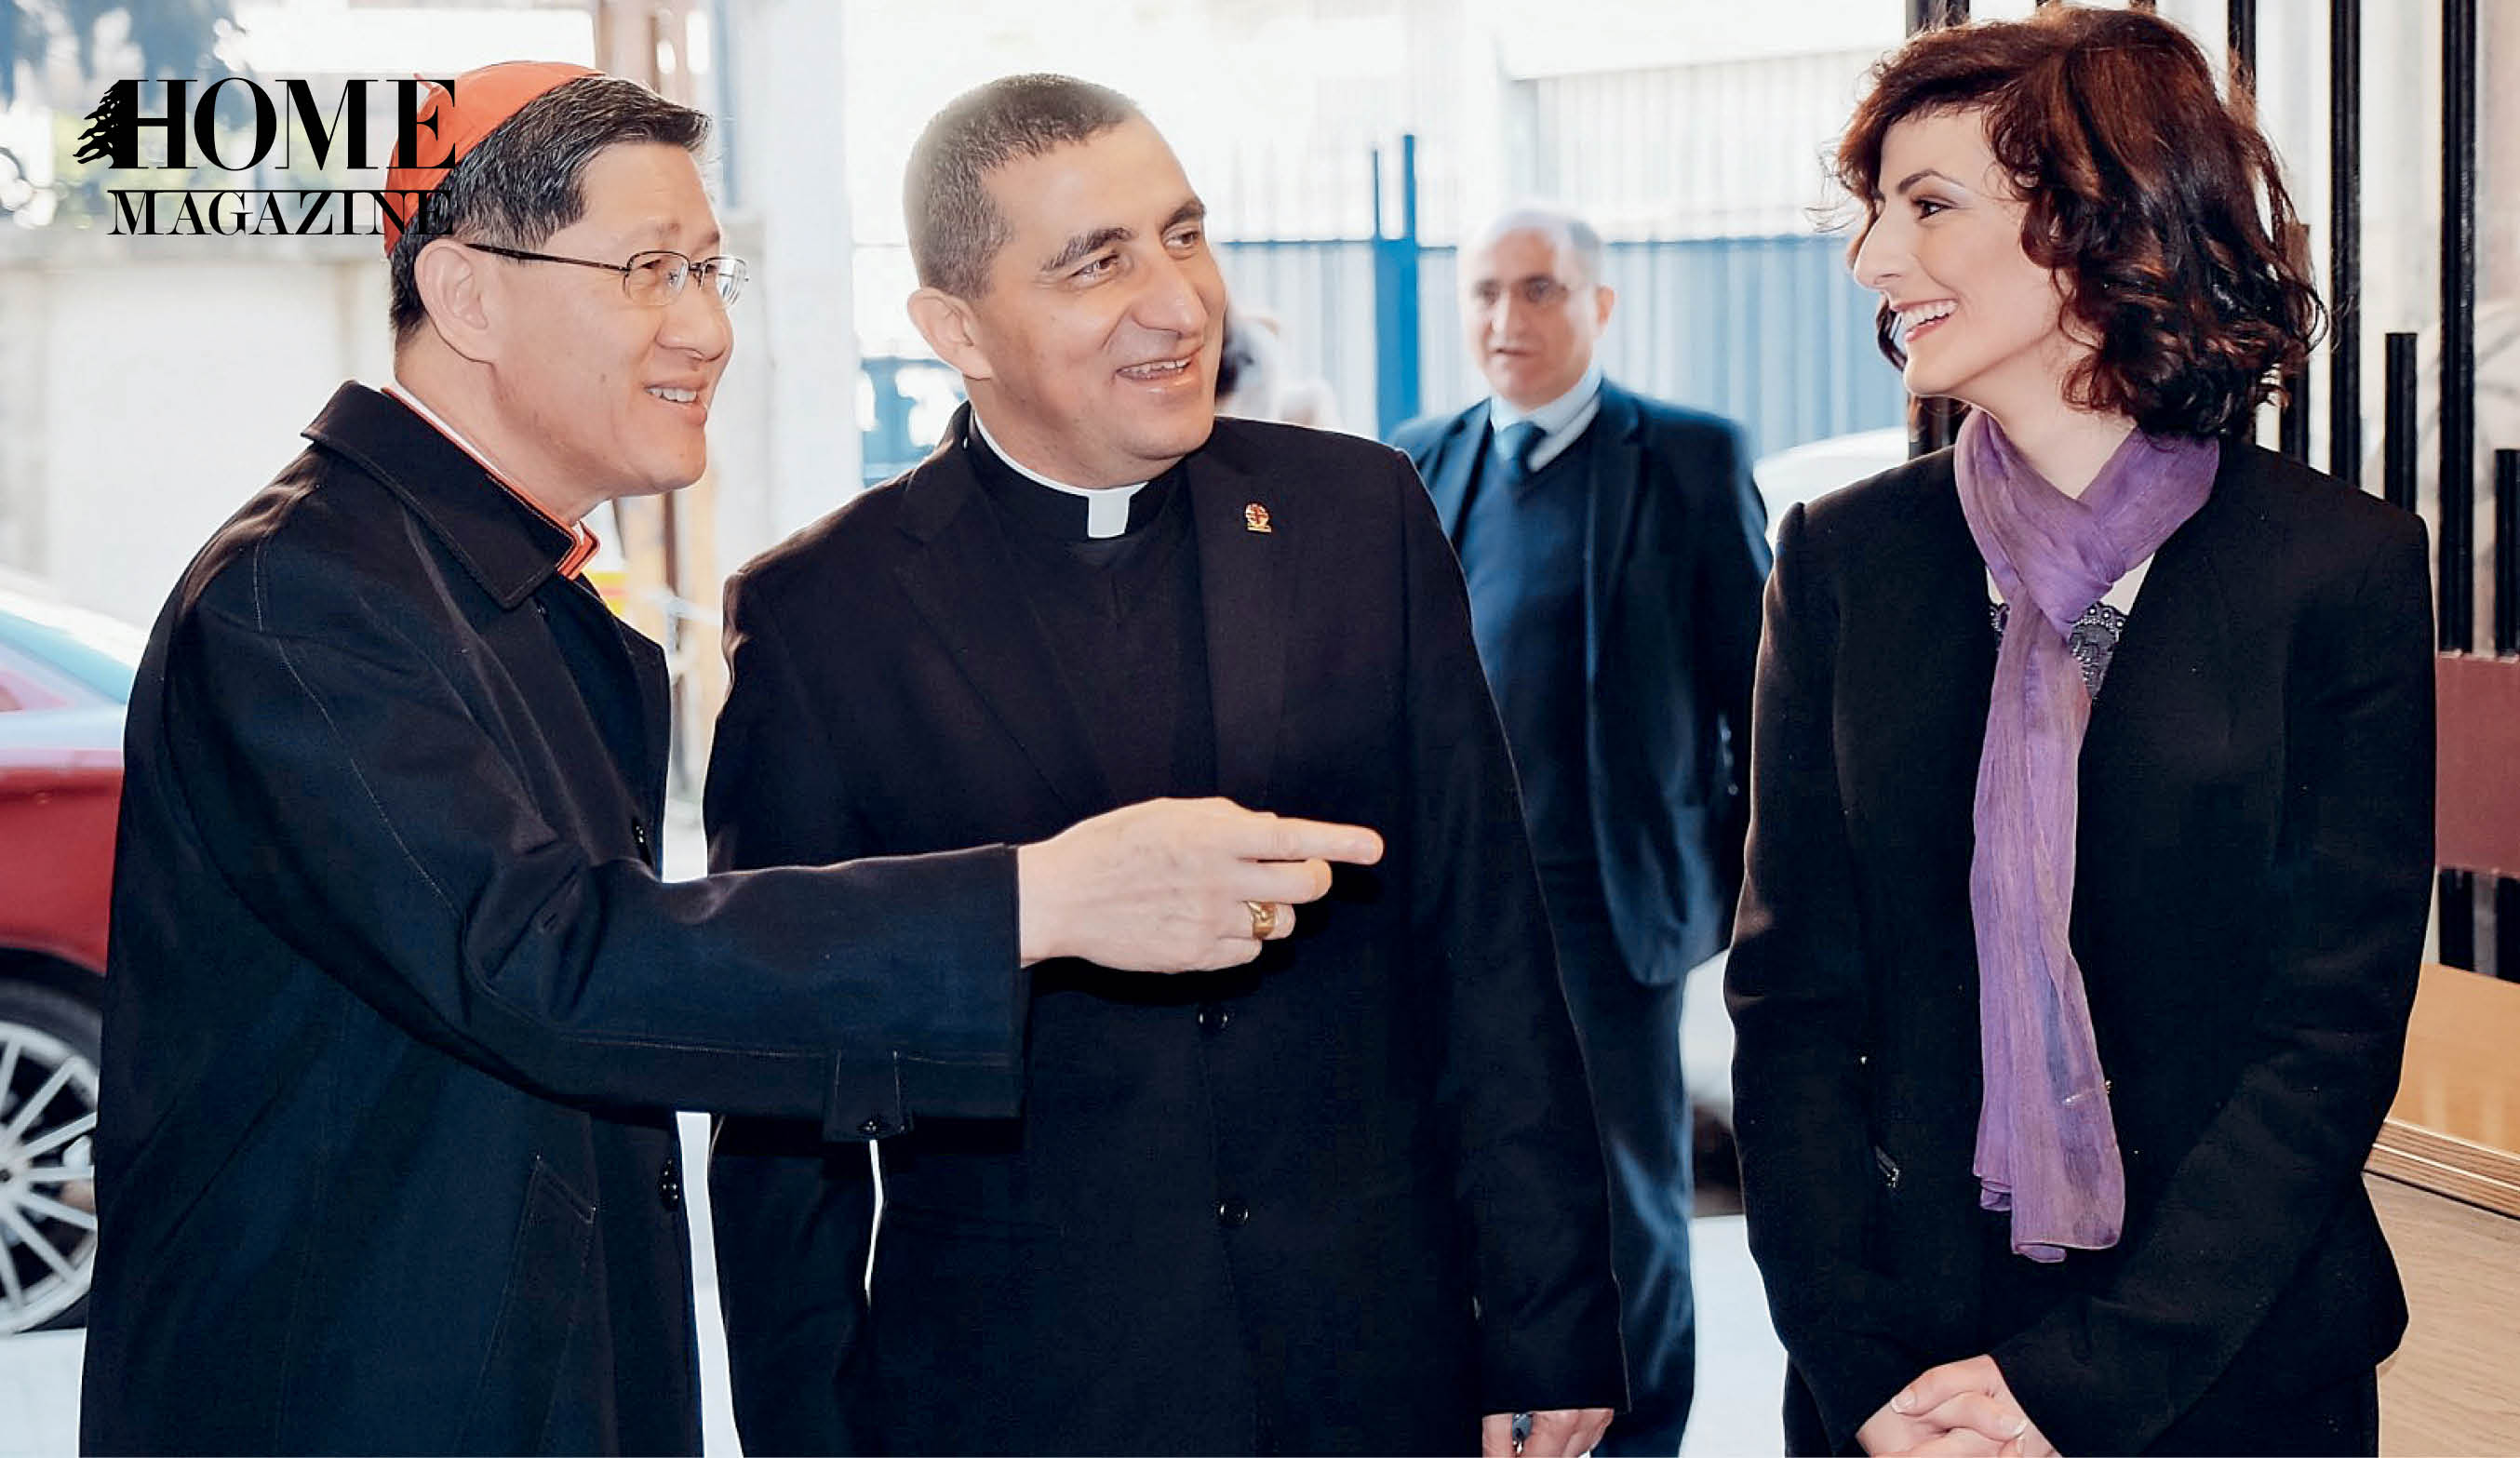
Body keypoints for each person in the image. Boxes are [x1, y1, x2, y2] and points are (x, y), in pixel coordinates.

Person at [80, 62, 1377, 1456]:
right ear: (466, 295)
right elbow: (552, 964)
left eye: (711, 273)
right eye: (650, 271)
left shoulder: (497, 586)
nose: (705, 328)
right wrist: (1036, 903)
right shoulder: (305, 597)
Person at [704, 74, 1624, 1458]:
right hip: (1023, 1391)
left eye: (1183, 235)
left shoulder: (1356, 516)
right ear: (956, 328)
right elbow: (790, 1096)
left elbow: (1487, 943)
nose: (1178, 302)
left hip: (1378, 1358)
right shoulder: (823, 616)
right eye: (1097, 262)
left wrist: (1552, 1318)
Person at [1725, 8, 2433, 1456]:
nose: (1873, 261)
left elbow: (2328, 1037)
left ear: (2099, 220)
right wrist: (1860, 1371)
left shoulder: (2334, 567)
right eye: (1873, 213)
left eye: (1929, 207)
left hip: (2225, 1366)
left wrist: (2081, 1385)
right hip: (1901, 1376)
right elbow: (1790, 1007)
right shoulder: (1846, 560)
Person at [1392, 204, 1770, 1455]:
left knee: (1624, 1202)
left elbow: (1755, 709)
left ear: (1599, 306)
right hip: (1450, 915)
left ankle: (1640, 1435)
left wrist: (1711, 893)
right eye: (1487, 293)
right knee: (1467, 1188)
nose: (1509, 319)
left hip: (1609, 917)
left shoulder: (1686, 459)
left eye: (1541, 291)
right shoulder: (1418, 464)